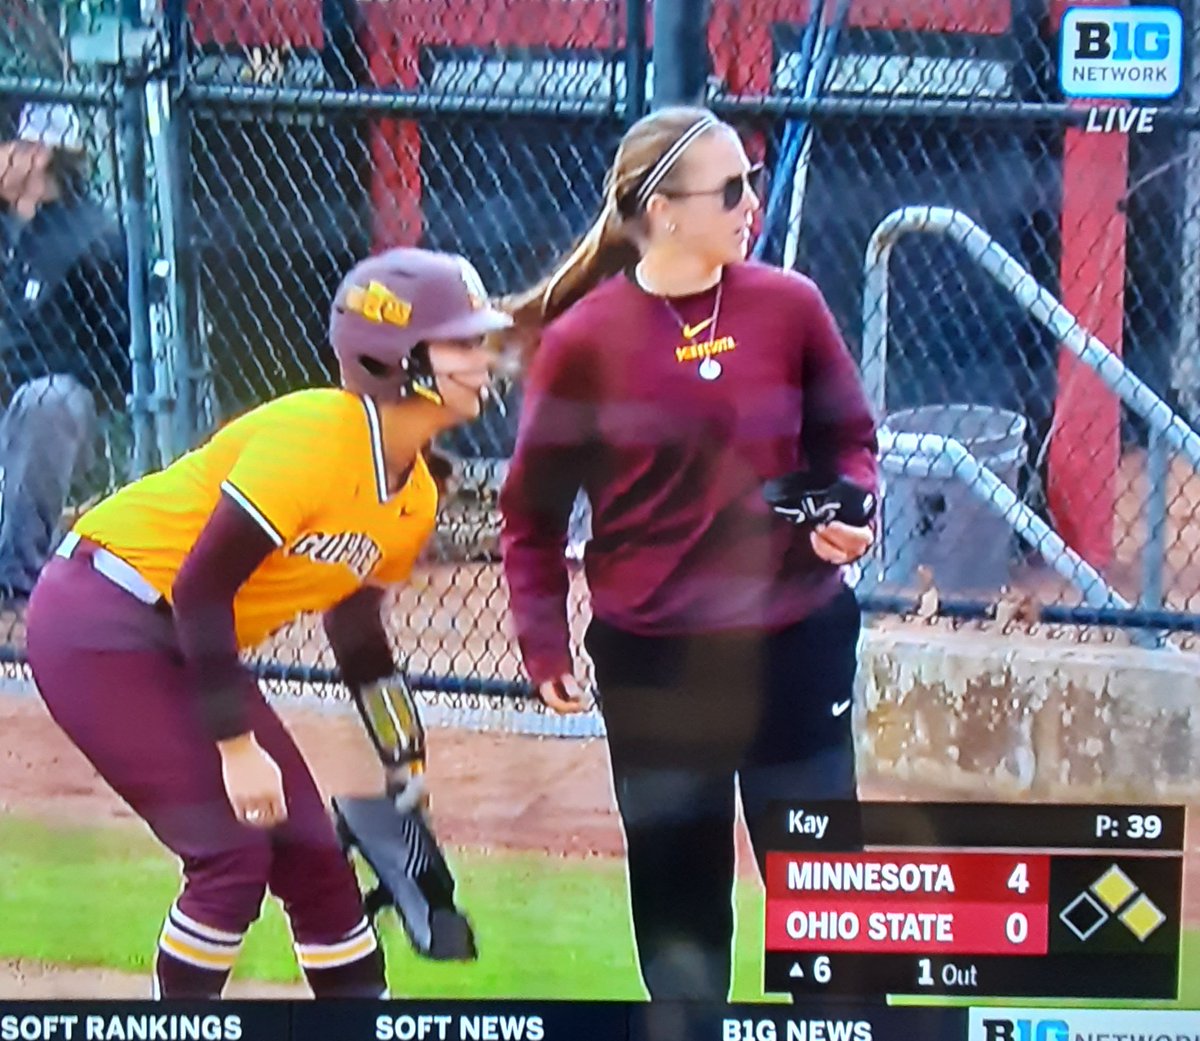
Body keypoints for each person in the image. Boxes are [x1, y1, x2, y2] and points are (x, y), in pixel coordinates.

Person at [25, 248, 512, 998]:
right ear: (397, 356)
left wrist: (404, 758)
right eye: (464, 341)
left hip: (186, 641)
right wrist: (237, 746)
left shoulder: (413, 493)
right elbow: (201, 589)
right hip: (100, 617)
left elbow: (357, 636)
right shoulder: (315, 434)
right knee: (230, 853)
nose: (485, 359)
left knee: (315, 855)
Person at [498, 106, 879, 1001]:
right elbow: (532, 515)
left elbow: (851, 441)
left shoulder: (791, 306)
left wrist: (852, 509)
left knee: (834, 928)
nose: (753, 202)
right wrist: (542, 639)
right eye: (732, 189)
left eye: (749, 182)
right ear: (664, 211)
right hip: (656, 663)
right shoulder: (582, 344)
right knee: (682, 928)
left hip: (795, 639)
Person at [0, 102, 130, 602]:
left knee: (48, 400)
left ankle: (18, 579)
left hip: (70, 424)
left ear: (35, 153)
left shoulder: (90, 237)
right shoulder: (9, 229)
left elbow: (118, 368)